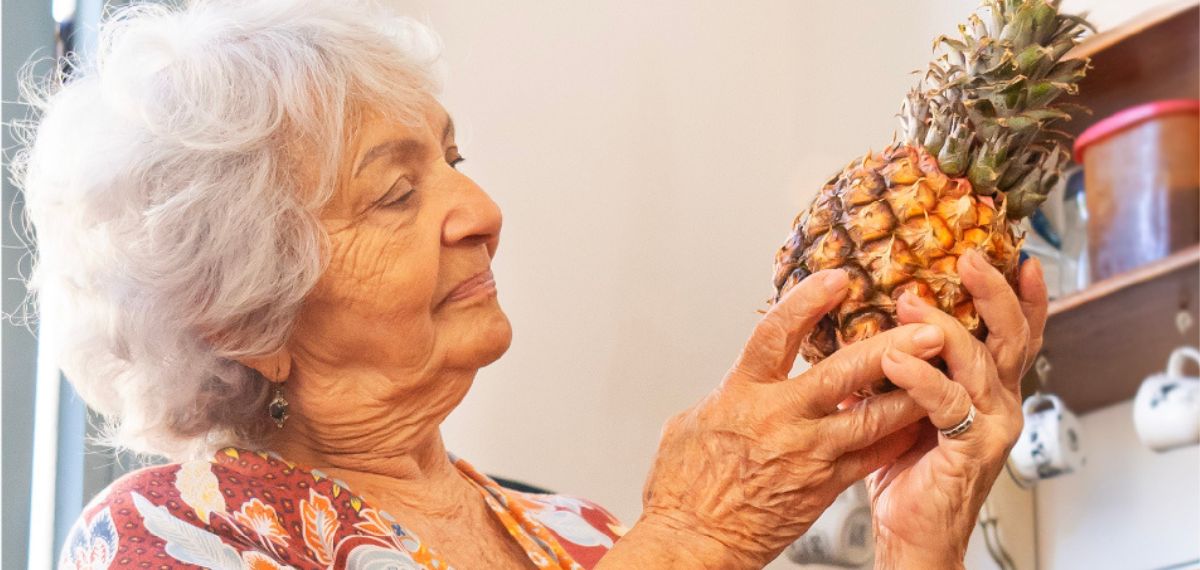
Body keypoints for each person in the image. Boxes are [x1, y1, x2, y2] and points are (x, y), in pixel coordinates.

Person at [16, 1, 1045, 568]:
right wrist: (696, 538)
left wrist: (922, 539)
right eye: (396, 195)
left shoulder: (588, 538)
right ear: (244, 314)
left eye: (453, 158)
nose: (481, 209)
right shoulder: (165, 534)